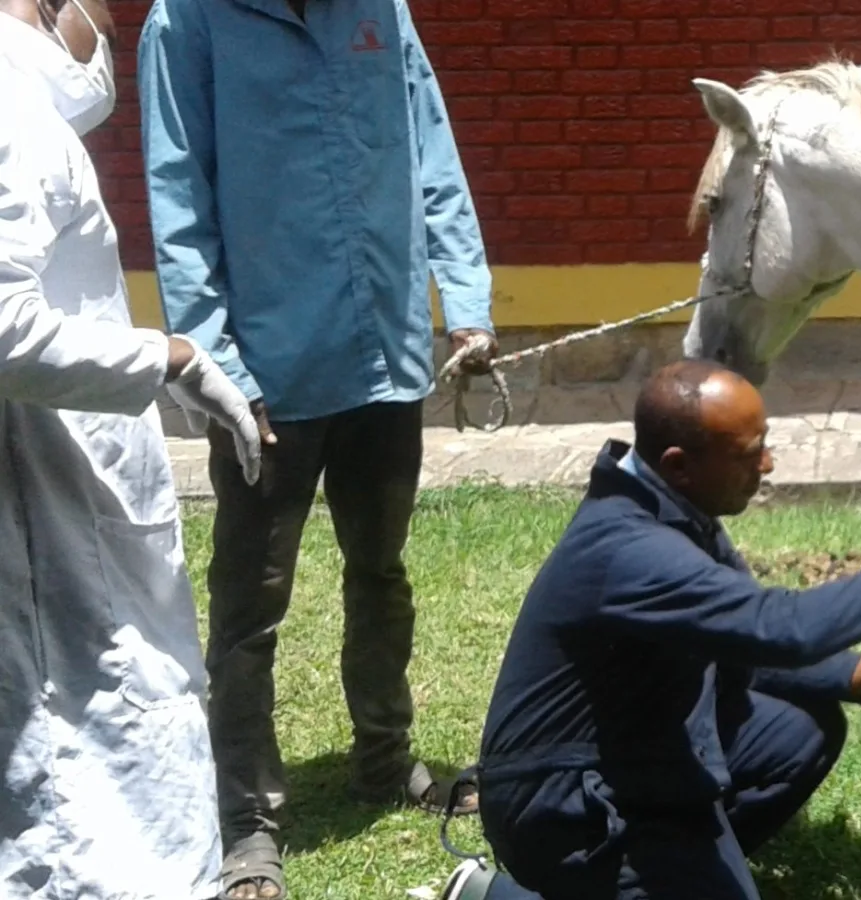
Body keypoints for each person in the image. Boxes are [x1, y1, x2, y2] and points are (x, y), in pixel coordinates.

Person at [136, 0, 498, 896]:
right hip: (267, 372)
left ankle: (384, 758)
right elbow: (177, 195)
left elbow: (431, 145)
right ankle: (248, 823)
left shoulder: (381, 9)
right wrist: (216, 361)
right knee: (251, 607)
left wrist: (465, 293)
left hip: (385, 350)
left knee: (381, 569)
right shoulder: (187, 23)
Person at [431, 359, 861, 900]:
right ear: (679, 465)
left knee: (801, 732)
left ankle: (671, 872)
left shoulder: (674, 511)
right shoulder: (630, 550)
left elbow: (742, 646)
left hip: (645, 759)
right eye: (750, 454)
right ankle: (503, 894)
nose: (768, 464)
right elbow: (779, 627)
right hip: (564, 802)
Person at [0, 0, 264, 895]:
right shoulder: (11, 109)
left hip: (69, 507)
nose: (108, 36)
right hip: (49, 528)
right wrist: (167, 358)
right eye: (97, 15)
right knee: (93, 790)